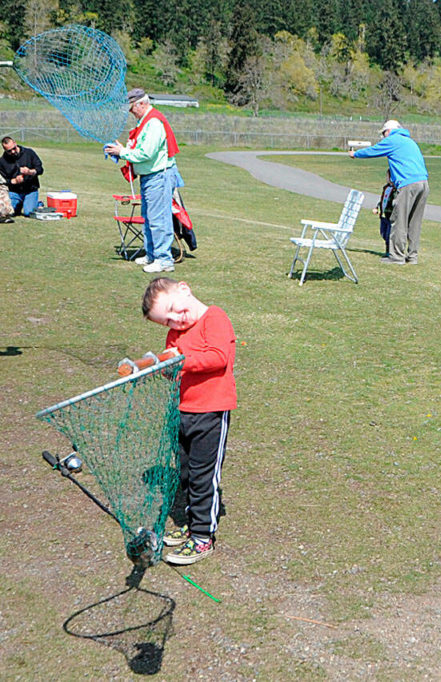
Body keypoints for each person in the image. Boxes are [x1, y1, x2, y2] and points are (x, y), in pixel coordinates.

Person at [142, 277, 237, 565]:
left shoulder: (215, 318)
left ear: (184, 289)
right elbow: (178, 367)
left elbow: (217, 358)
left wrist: (179, 358)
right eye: (166, 322)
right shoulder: (176, 335)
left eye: (173, 309)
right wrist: (165, 368)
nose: (174, 320)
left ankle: (202, 537)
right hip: (183, 412)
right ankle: (193, 521)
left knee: (203, 476)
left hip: (211, 413)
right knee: (186, 472)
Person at [105, 88, 182, 273]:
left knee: (158, 219)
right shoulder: (145, 122)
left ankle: (164, 259)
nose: (131, 112)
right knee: (148, 218)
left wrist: (122, 152)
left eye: (132, 107)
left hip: (159, 176)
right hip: (150, 177)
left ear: (141, 103)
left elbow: (147, 153)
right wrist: (124, 149)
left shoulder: (154, 122)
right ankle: (152, 255)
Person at [349, 120, 429, 265]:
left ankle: (396, 256)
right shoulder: (409, 141)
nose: (383, 137)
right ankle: (412, 256)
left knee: (399, 220)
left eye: (384, 133)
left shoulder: (393, 140)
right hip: (423, 183)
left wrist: (356, 154)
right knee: (414, 222)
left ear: (389, 131)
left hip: (407, 184)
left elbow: (373, 151)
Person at [0, 136, 43, 217]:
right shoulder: (2, 162)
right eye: (9, 151)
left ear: (15, 143)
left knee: (28, 213)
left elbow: (40, 169)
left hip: (30, 190)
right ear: (5, 150)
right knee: (8, 212)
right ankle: (19, 204)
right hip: (14, 192)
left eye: (14, 148)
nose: (13, 152)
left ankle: (38, 203)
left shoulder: (29, 153)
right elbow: (2, 181)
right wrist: (14, 181)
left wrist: (30, 172)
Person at [372, 169, 396, 256]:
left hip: (391, 216)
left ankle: (389, 252)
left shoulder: (396, 190)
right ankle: (388, 250)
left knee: (389, 235)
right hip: (383, 215)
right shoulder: (386, 188)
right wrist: (377, 207)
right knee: (383, 232)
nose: (387, 178)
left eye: (388, 177)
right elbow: (382, 200)